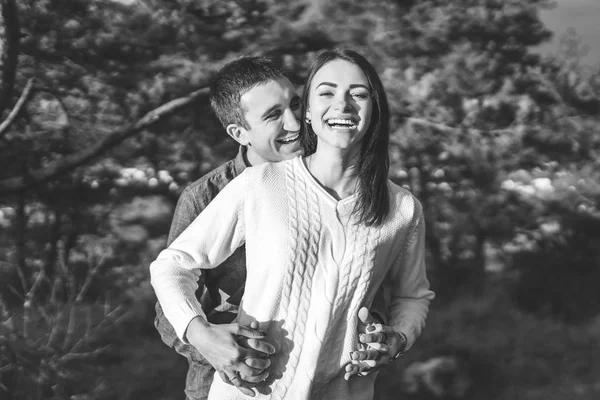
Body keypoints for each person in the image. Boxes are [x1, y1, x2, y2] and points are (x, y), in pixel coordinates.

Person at [150, 49, 434, 400]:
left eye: (296, 105)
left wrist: (390, 336)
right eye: (273, 115)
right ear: (240, 132)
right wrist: (213, 346)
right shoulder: (231, 190)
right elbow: (171, 284)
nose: (295, 123)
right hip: (238, 382)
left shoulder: (402, 207)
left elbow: (393, 292)